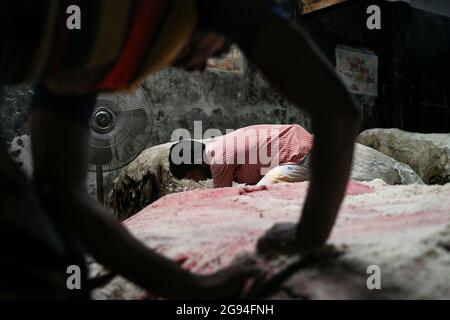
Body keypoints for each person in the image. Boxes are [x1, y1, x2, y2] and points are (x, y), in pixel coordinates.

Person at [0, 0, 360, 299]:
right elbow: (58, 192)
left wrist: (193, 287)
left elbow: (58, 191)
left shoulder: (87, 60)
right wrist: (307, 236)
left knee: (54, 262)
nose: (203, 66)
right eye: (219, 47)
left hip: (297, 149)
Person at [169, 124, 314, 187]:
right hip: (299, 148)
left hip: (300, 154)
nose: (196, 180)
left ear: (199, 162)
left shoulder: (218, 160)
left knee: (260, 194)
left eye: (192, 175)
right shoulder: (219, 146)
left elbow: (220, 201)